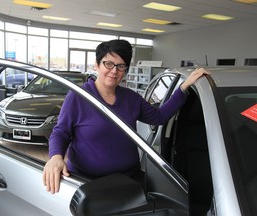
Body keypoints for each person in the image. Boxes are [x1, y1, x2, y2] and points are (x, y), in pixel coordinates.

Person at [43, 39, 209, 194]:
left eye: (121, 66)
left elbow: (159, 117)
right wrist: (56, 157)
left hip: (129, 181)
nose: (114, 71)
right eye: (108, 64)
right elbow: (61, 132)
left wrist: (184, 87)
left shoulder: (131, 98)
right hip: (87, 182)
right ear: (97, 65)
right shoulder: (79, 96)